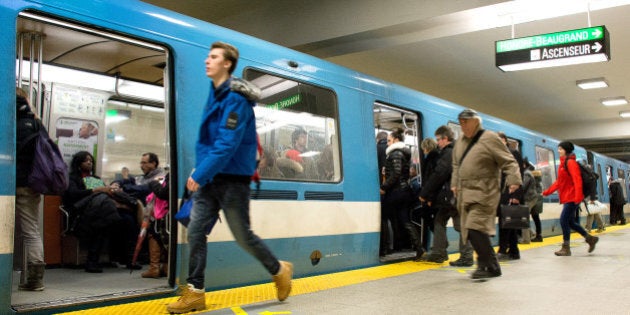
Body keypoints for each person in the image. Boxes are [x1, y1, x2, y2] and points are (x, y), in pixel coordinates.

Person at [167, 41, 293, 314]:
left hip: (232, 179)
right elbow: (211, 142)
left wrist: (200, 172)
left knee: (242, 235)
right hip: (211, 177)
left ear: (227, 64)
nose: (206, 61)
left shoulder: (235, 99)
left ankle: (278, 269)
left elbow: (227, 144)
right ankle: (195, 292)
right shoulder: (215, 94)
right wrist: (201, 171)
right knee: (196, 230)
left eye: (213, 57)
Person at [451, 109, 522, 280]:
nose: (463, 125)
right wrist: (454, 184)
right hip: (465, 192)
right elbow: (456, 165)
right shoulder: (460, 141)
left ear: (476, 121)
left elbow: (508, 160)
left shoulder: (489, 138)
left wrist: (514, 180)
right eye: (461, 122)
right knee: (470, 229)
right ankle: (488, 265)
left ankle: (489, 265)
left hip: (485, 190)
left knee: (476, 227)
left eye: (466, 121)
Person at [63, 151, 129, 273]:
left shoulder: (96, 178)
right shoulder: (73, 178)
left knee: (119, 219)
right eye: (86, 160)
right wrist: (94, 190)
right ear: (78, 163)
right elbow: (73, 195)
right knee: (107, 220)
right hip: (81, 212)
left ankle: (96, 260)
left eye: (91, 160)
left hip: (100, 212)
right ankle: (118, 258)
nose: (89, 162)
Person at [421, 125, 474, 266]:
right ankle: (439, 252)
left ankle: (466, 256)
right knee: (439, 221)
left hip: (453, 196)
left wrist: (425, 193)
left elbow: (439, 174)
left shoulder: (449, 153)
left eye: (438, 140)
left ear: (445, 138)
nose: (437, 143)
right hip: (453, 195)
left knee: (460, 225)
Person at [542, 141, 599, 256]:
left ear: (566, 150)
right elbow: (559, 182)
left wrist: (578, 197)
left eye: (560, 149)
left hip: (572, 197)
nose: (558, 151)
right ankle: (590, 239)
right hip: (568, 197)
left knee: (563, 220)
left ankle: (566, 247)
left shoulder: (571, 163)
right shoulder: (563, 164)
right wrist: (546, 192)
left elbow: (577, 180)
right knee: (571, 222)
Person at [15, 88, 46, 290]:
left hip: (7, 180)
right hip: (30, 184)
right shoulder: (36, 123)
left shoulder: (7, 119)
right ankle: (35, 280)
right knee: (31, 230)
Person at [380, 128, 419, 256]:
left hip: (397, 192)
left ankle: (385, 248)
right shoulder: (402, 153)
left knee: (384, 215)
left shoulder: (395, 153)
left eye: (389, 140)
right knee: (404, 220)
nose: (387, 143)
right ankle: (418, 247)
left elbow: (396, 173)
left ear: (396, 140)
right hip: (403, 191)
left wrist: (384, 187)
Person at [496, 132, 524, 260]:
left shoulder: (513, 153)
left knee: (505, 221)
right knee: (509, 221)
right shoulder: (497, 154)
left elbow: (519, 175)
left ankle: (502, 249)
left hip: (511, 191)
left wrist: (517, 195)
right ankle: (514, 250)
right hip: (501, 192)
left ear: (505, 140)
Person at [141, 173, 170, 278]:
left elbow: (163, 193)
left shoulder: (170, 176)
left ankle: (154, 268)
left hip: (162, 215)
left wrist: (154, 183)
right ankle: (166, 267)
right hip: (168, 213)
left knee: (154, 236)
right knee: (167, 241)